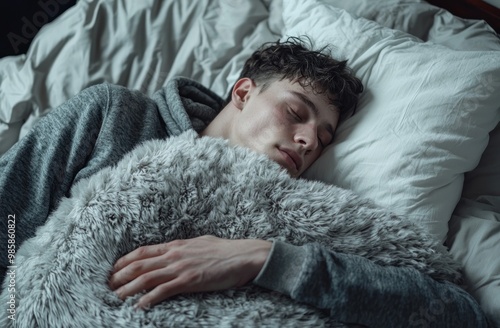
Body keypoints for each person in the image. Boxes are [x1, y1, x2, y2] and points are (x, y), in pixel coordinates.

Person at [0, 37, 490, 327]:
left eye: (322, 140)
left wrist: (266, 260)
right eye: (296, 113)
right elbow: (9, 219)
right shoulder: (115, 116)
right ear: (242, 92)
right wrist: (16, 306)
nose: (305, 142)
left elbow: (454, 314)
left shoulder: (298, 211)